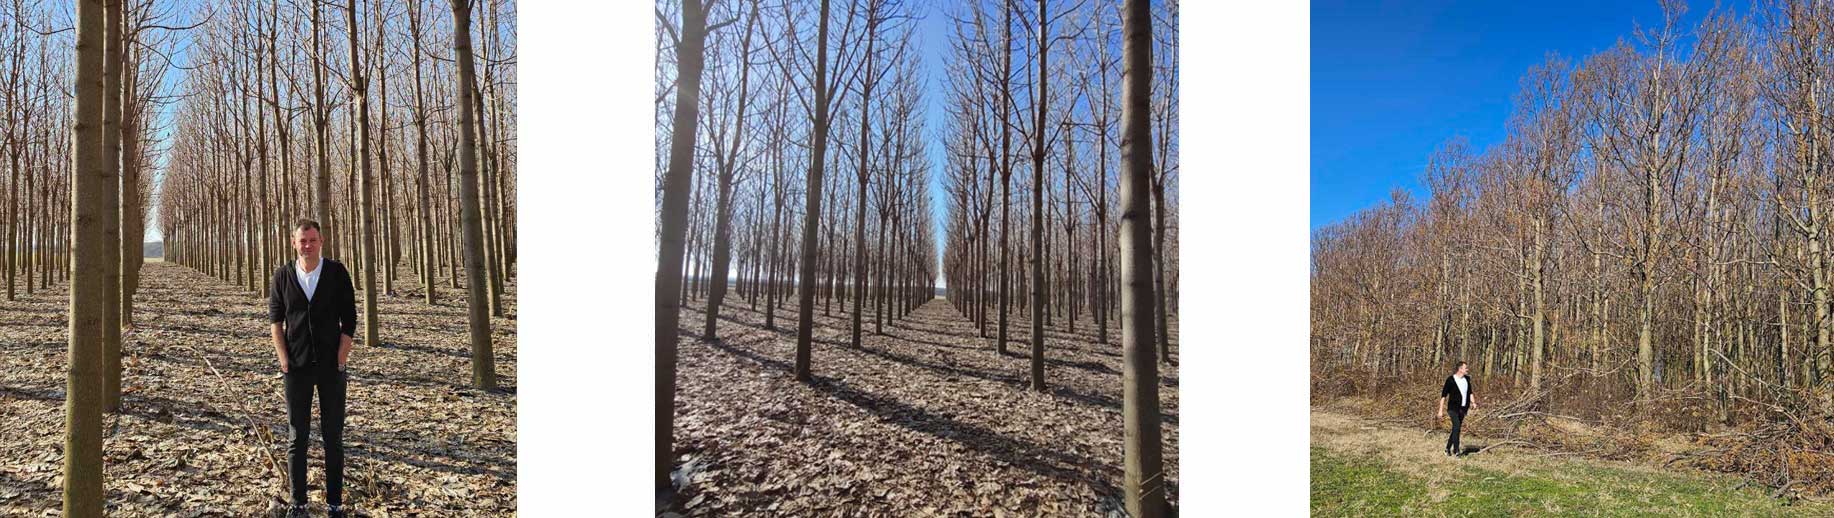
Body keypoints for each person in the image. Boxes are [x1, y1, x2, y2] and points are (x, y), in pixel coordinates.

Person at [269, 220, 358, 518]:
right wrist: (284, 359)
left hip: (331, 368)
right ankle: (299, 503)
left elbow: (350, 321)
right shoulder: (282, 276)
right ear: (293, 243)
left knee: (333, 435)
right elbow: (275, 322)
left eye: (312, 240)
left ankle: (335, 504)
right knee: (298, 436)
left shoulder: (336, 273)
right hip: (296, 368)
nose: (307, 245)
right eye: (302, 240)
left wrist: (341, 358)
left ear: (321, 241)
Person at [1438, 361, 1476, 457]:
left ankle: (1447, 449)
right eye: (1465, 368)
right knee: (1457, 427)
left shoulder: (1467, 379)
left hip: (1463, 408)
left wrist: (1473, 402)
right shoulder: (1450, 380)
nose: (1467, 369)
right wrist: (1440, 410)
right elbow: (1443, 396)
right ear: (1460, 369)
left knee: (1456, 428)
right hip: (1453, 408)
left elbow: (1470, 392)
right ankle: (1456, 451)